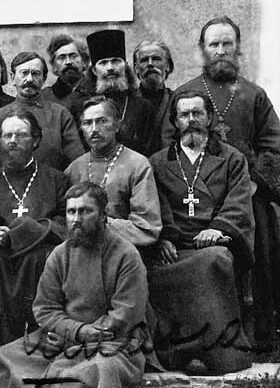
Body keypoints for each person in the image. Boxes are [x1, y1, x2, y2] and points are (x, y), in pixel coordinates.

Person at [164, 16, 280, 346]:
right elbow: (166, 147)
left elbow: (273, 146)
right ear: (202, 50)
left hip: (246, 188)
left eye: (227, 44)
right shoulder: (187, 94)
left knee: (259, 227)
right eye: (213, 44)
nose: (220, 51)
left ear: (237, 48)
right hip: (190, 191)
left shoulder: (253, 95)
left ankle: (258, 333)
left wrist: (252, 179)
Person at [0, 182, 149, 388]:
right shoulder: (60, 254)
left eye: (85, 211)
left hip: (113, 344)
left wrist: (86, 335)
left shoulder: (126, 255)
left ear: (103, 215)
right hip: (64, 339)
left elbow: (126, 314)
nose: (76, 219)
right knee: (6, 357)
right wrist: (76, 332)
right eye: (71, 212)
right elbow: (45, 308)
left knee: (97, 370)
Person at [148, 91, 253, 373]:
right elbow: (154, 203)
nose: (191, 120)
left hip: (216, 238)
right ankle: (176, 352)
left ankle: (220, 351)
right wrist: (165, 237)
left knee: (215, 260)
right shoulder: (158, 162)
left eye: (197, 114)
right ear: (175, 121)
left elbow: (239, 200)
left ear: (209, 118)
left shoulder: (232, 158)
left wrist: (217, 229)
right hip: (176, 242)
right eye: (184, 115)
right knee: (153, 269)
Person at [0, 109, 67, 361]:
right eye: (7, 135)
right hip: (2, 253)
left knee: (45, 258)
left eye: (20, 135)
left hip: (38, 249)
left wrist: (32, 229)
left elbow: (63, 220)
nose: (12, 141)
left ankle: (41, 343)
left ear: (35, 140)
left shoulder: (55, 178)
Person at [65, 97, 162, 248]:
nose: (94, 129)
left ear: (117, 125)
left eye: (102, 121)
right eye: (87, 123)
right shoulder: (74, 168)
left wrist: (96, 224)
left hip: (123, 250)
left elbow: (146, 228)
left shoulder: (138, 165)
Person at [0, 51, 85, 176]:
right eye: (24, 73)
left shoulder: (60, 114)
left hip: (53, 189)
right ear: (13, 78)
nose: (29, 79)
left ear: (44, 79)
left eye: (35, 74)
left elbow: (77, 162)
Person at [67, 30, 158, 156]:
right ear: (94, 70)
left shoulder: (143, 107)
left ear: (125, 66)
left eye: (115, 61)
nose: (110, 68)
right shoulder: (78, 106)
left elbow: (150, 150)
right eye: (103, 63)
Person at [133, 40, 175, 142]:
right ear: (136, 68)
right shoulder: (128, 101)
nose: (150, 64)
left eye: (156, 59)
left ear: (168, 66)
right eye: (144, 60)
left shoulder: (176, 100)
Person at [42, 34, 91, 108]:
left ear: (84, 61)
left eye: (73, 56)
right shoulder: (44, 98)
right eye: (62, 58)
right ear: (54, 66)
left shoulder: (96, 92)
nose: (68, 62)